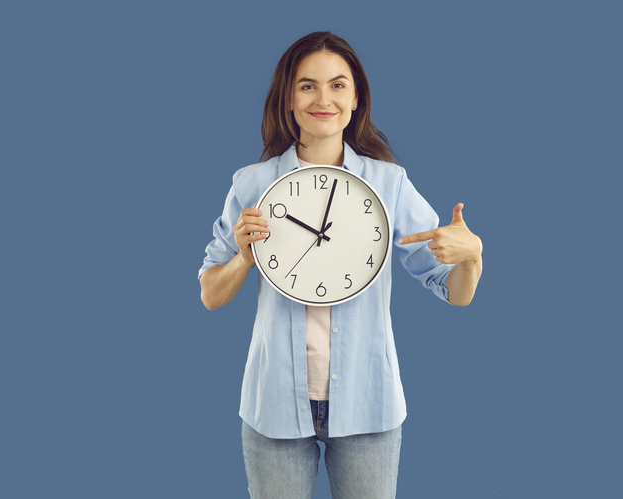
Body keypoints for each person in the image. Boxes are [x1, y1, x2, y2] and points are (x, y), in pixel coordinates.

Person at [198, 31, 482, 499]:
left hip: (368, 407)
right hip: (273, 409)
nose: (323, 98)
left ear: (355, 99)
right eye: (307, 85)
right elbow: (210, 294)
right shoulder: (252, 184)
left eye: (338, 85)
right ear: (288, 98)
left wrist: (471, 256)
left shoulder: (389, 185)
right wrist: (244, 260)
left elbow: (454, 290)